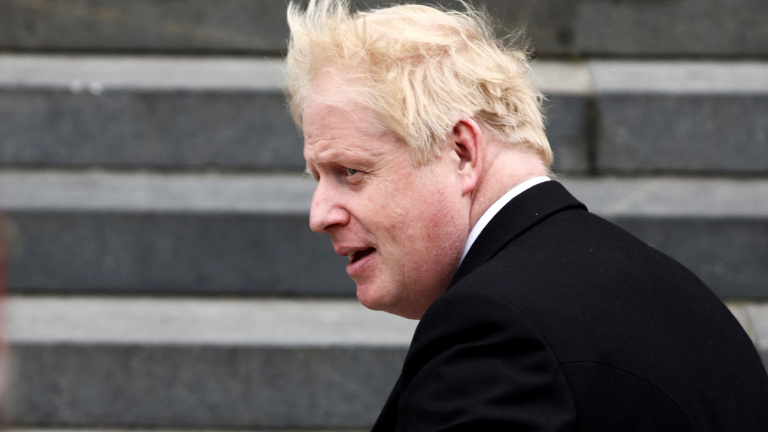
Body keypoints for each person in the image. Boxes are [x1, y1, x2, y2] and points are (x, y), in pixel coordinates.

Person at [284, 0, 768, 430]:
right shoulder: (676, 294)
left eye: (350, 171)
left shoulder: (496, 331)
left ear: (462, 152)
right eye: (317, 177)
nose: (319, 214)